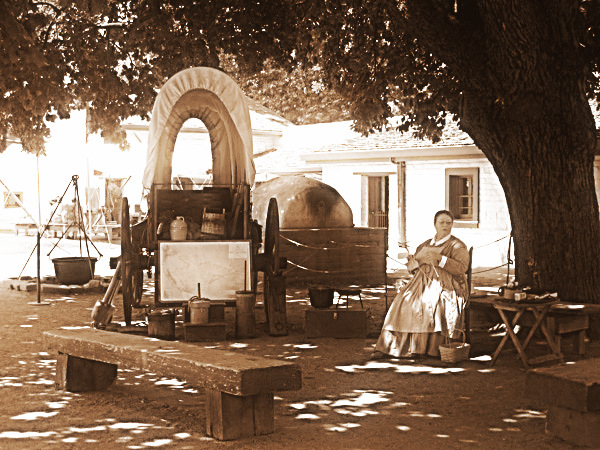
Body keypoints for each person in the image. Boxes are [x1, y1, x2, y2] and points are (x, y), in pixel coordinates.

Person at [374, 210, 470, 358]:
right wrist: (416, 260)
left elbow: (461, 268)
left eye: (448, 222)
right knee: (402, 301)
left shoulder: (457, 245)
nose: (445, 225)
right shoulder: (425, 244)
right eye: (441, 222)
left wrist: (440, 259)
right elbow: (411, 269)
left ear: (452, 225)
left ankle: (427, 349)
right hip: (420, 283)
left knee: (430, 302)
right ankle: (395, 347)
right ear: (435, 225)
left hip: (446, 283)